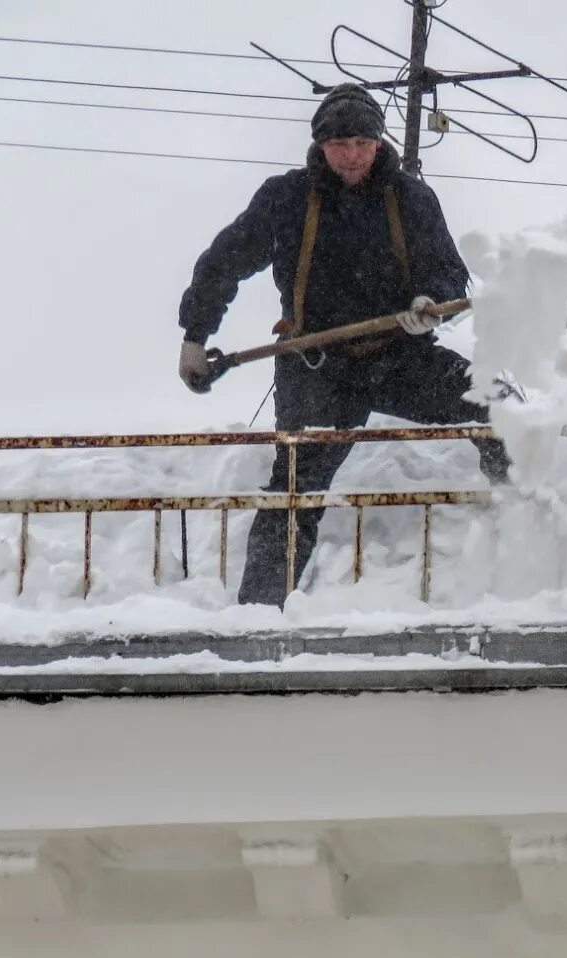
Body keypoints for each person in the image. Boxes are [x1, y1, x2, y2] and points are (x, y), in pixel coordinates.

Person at [177, 82, 510, 607]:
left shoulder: (411, 198)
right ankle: (257, 619)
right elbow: (224, 262)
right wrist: (195, 335)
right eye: (338, 145)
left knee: (496, 405)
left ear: (378, 142)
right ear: (319, 146)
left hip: (400, 358)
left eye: (360, 143)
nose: (351, 156)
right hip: (316, 370)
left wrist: (430, 301)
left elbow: (448, 271)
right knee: (294, 493)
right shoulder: (286, 199)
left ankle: (530, 524)